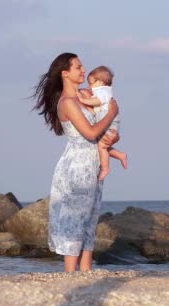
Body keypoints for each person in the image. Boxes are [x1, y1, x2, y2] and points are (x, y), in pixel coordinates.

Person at [33, 53, 120, 272]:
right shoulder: (67, 102)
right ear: (65, 73)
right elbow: (90, 133)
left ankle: (86, 272)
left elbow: (100, 132)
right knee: (74, 219)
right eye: (78, 67)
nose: (83, 71)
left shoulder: (84, 95)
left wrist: (113, 137)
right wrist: (112, 113)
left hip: (94, 163)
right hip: (77, 166)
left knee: (90, 219)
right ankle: (70, 274)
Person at [77, 66, 128, 181]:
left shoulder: (102, 91)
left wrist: (83, 100)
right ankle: (120, 155)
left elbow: (98, 101)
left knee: (101, 146)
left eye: (91, 83)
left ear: (100, 82)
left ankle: (105, 168)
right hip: (109, 121)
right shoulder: (103, 90)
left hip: (109, 122)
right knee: (102, 145)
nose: (89, 86)